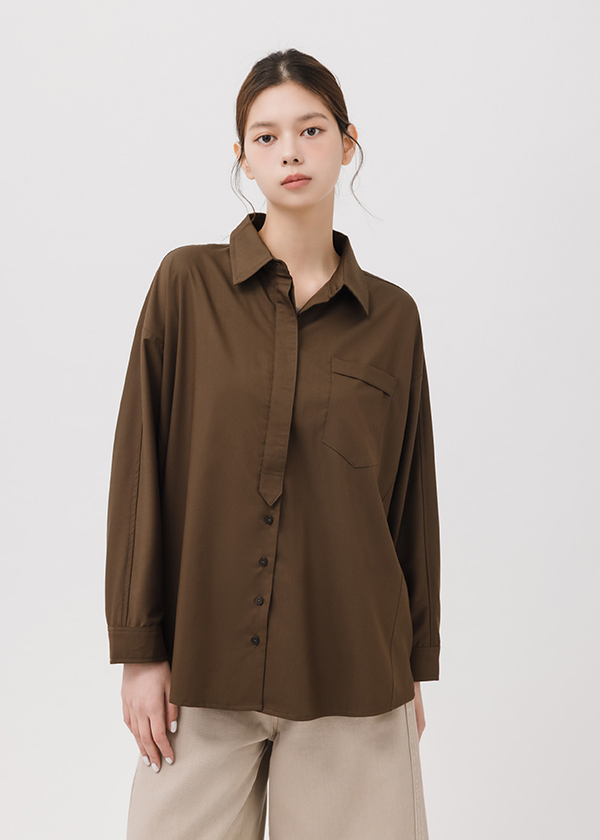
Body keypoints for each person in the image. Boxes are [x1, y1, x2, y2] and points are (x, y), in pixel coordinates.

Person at [105, 48, 441, 840]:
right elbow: (141, 472)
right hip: (202, 670)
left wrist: (411, 666)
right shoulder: (186, 287)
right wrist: (140, 651)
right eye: (266, 136)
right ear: (243, 156)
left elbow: (408, 502)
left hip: (354, 675)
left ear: (347, 144)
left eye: (311, 130)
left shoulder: (392, 319)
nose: (290, 151)